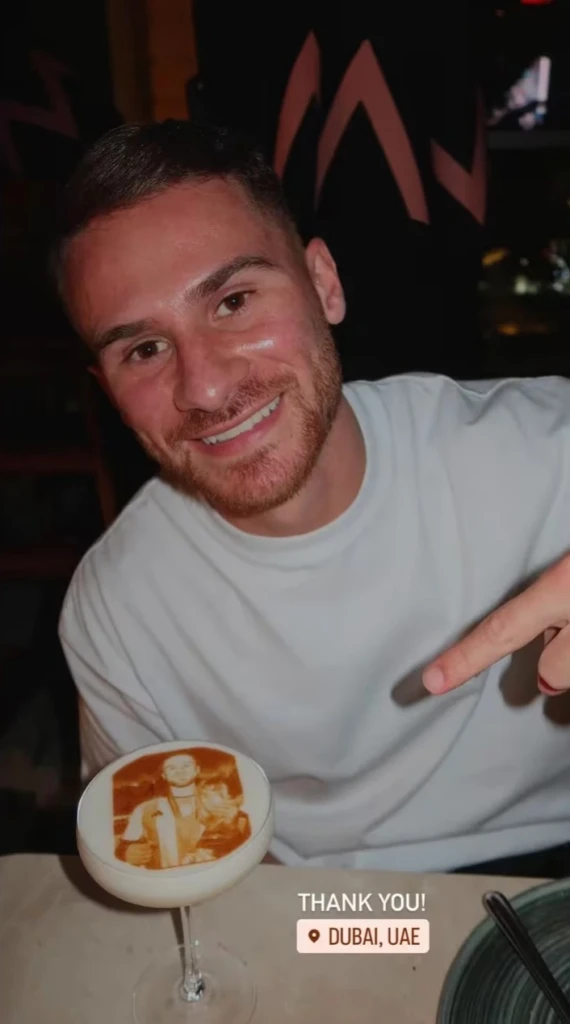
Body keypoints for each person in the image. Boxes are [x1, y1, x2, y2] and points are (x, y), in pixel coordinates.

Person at [55, 120, 570, 876]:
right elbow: (174, 867)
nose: (206, 387)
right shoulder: (116, 607)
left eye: (233, 301)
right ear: (108, 391)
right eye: (145, 349)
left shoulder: (548, 453)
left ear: (323, 283)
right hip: (316, 911)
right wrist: (379, 931)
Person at [117, 752, 248, 868]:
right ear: (163, 775)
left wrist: (234, 825)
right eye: (171, 768)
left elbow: (243, 843)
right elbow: (123, 848)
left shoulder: (219, 802)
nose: (180, 771)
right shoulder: (145, 808)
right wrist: (127, 853)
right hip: (166, 882)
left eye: (186, 766)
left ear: (197, 770)